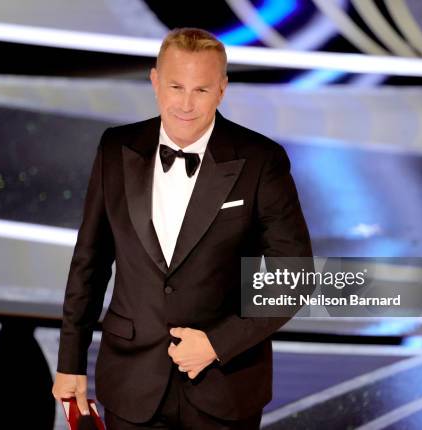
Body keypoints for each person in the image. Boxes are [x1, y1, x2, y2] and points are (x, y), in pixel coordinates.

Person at [52, 27, 312, 429]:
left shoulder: (262, 160)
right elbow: (90, 261)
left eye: (202, 90)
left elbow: (294, 276)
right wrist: (70, 361)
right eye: (176, 86)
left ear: (222, 90)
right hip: (131, 382)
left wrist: (217, 344)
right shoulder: (115, 148)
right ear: (155, 81)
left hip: (225, 388)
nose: (186, 104)